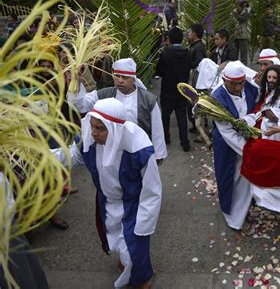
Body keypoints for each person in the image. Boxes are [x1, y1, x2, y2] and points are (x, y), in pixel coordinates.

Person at [53, 98, 162, 289]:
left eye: (100, 128)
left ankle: (144, 277)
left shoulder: (139, 147)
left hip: (133, 204)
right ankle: (128, 262)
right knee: (114, 237)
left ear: (114, 129)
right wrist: (38, 156)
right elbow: (70, 156)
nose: (93, 132)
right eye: (92, 126)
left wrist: (145, 222)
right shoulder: (90, 140)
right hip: (107, 201)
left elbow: (152, 189)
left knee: (135, 245)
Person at [67, 58, 167, 162]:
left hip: (139, 150)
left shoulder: (148, 99)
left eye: (125, 77)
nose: (120, 80)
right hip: (112, 153)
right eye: (117, 76)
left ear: (133, 78)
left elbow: (157, 129)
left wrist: (158, 154)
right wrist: (76, 82)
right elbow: (80, 105)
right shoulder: (105, 94)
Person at [243, 65, 280, 223]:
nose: (271, 81)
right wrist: (245, 121)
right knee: (264, 175)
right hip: (267, 141)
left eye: (274, 78)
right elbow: (259, 113)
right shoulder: (270, 95)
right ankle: (266, 202)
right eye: (269, 78)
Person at [211, 62, 259, 230]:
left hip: (248, 142)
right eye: (233, 84)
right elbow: (227, 132)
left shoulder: (251, 89)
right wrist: (249, 150)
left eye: (241, 83)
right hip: (227, 145)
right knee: (228, 178)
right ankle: (231, 215)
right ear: (224, 81)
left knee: (246, 179)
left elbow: (258, 110)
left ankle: (244, 210)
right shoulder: (216, 98)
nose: (238, 87)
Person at [156, 27, 192, 151]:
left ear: (169, 39)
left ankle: (166, 138)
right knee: (181, 116)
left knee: (165, 116)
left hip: (167, 90)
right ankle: (185, 142)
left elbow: (159, 71)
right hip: (182, 90)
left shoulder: (165, 52)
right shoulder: (187, 53)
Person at [187, 23, 207, 134]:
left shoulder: (198, 47)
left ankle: (199, 126)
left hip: (197, 79)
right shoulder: (195, 45)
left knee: (194, 102)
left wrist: (187, 63)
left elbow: (199, 63)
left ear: (195, 33)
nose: (188, 33)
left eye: (190, 31)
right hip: (195, 78)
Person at [234, 1, 250, 65]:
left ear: (241, 7)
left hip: (243, 37)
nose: (236, 8)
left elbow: (241, 19)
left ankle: (244, 67)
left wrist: (235, 14)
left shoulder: (246, 13)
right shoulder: (237, 13)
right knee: (235, 53)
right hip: (236, 36)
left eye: (237, 7)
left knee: (243, 54)